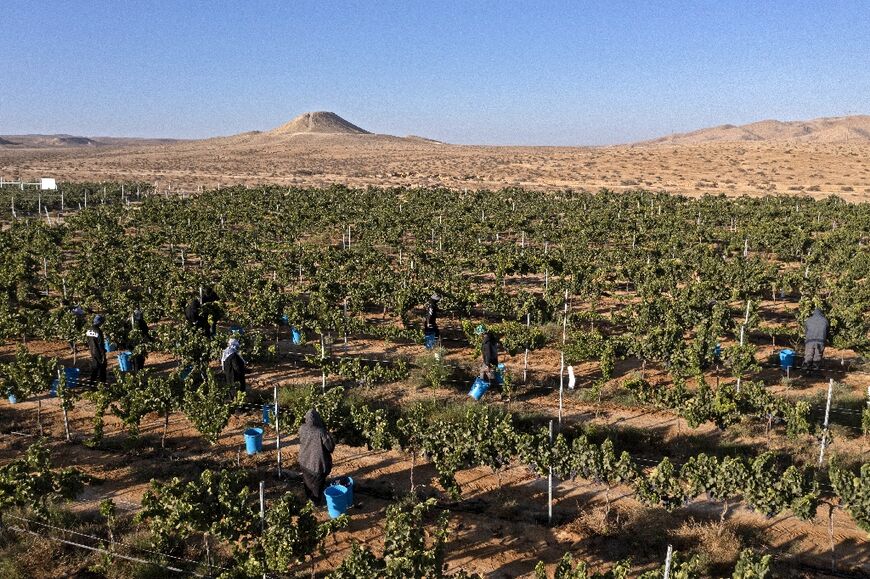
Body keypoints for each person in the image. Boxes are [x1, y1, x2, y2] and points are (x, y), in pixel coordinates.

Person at [298, 408, 335, 506]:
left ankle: (309, 499)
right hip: (317, 465)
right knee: (317, 485)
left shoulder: (301, 428)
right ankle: (316, 502)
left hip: (304, 461)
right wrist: (329, 434)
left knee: (307, 481)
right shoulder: (321, 432)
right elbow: (330, 448)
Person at [802, 307, 829, 372]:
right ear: (821, 313)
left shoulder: (808, 320)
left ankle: (806, 371)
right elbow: (827, 331)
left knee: (808, 356)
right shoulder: (825, 320)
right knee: (817, 356)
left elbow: (806, 331)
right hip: (820, 341)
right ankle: (815, 371)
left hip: (810, 341)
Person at [86, 315, 108, 384]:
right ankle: (102, 383)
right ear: (99, 322)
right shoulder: (98, 331)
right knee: (102, 367)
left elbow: (88, 342)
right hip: (99, 352)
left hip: (92, 351)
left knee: (94, 367)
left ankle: (92, 383)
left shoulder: (89, 330)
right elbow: (100, 344)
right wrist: (103, 355)